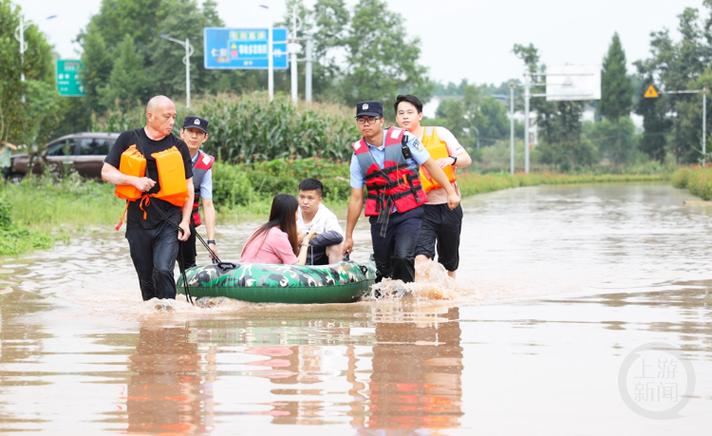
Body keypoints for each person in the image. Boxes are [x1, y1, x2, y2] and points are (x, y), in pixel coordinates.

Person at [343, 101, 460, 283]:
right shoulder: (358, 155)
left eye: (371, 119)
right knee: (383, 267)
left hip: (409, 211)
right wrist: (348, 236)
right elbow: (356, 198)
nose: (366, 123)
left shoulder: (405, 139)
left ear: (381, 121)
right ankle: (389, 306)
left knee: (403, 256)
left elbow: (430, 165)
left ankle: (408, 303)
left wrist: (450, 191)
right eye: (361, 120)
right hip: (381, 216)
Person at [102, 95, 194, 301]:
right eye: (166, 116)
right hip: (138, 222)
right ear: (150, 116)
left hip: (169, 220)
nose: (172, 121)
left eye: (174, 116)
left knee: (163, 270)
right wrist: (133, 181)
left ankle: (171, 321)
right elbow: (106, 172)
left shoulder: (178, 147)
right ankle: (152, 329)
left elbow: (188, 186)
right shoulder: (128, 139)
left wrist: (186, 221)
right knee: (146, 280)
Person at [395, 95, 472, 278]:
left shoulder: (440, 133)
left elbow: (466, 160)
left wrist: (451, 160)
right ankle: (424, 299)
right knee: (421, 258)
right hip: (420, 209)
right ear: (396, 118)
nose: (405, 117)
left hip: (448, 205)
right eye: (401, 113)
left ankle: (450, 303)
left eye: (410, 112)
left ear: (420, 115)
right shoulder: (395, 143)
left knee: (449, 263)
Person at [177, 115, 218, 269]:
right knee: (161, 268)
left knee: (188, 267)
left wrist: (211, 241)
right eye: (190, 131)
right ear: (182, 133)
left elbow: (207, 205)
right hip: (165, 221)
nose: (194, 136)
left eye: (199, 133)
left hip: (188, 224)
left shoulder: (206, 164)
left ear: (205, 137)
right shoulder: (169, 155)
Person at [241, 194, 311, 265]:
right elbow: (297, 267)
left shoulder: (260, 230)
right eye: (296, 212)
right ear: (289, 214)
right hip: (258, 274)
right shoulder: (277, 235)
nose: (297, 217)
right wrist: (306, 241)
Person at [296, 178, 344, 265]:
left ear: (319, 199)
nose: (305, 202)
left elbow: (338, 235)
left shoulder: (327, 215)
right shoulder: (292, 211)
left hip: (320, 257)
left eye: (310, 198)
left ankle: (335, 275)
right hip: (296, 255)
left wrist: (307, 238)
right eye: (302, 197)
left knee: (336, 246)